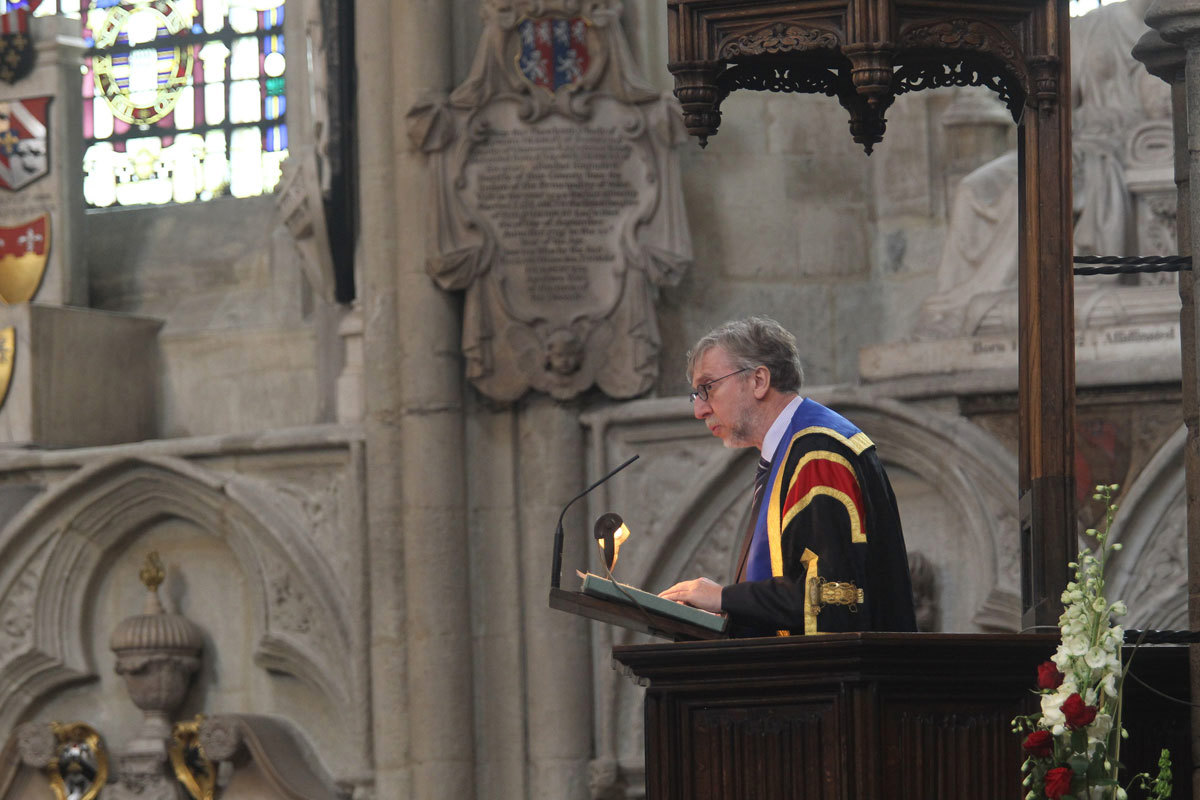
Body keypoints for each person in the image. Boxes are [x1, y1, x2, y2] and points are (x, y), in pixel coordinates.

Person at [659, 317, 917, 636]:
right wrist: (725, 611)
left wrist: (724, 597)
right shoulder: (789, 451)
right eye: (696, 395)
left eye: (707, 388)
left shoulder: (818, 455)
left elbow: (833, 596)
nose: (699, 410)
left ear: (758, 380)